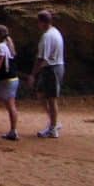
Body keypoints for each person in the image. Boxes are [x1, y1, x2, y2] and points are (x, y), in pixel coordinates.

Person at [29, 9, 65, 138]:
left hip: (52, 68)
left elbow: (41, 58)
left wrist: (33, 74)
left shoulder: (47, 36)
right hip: (53, 67)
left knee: (51, 99)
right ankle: (54, 121)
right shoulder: (55, 32)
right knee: (41, 94)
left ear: (41, 22)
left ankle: (53, 128)